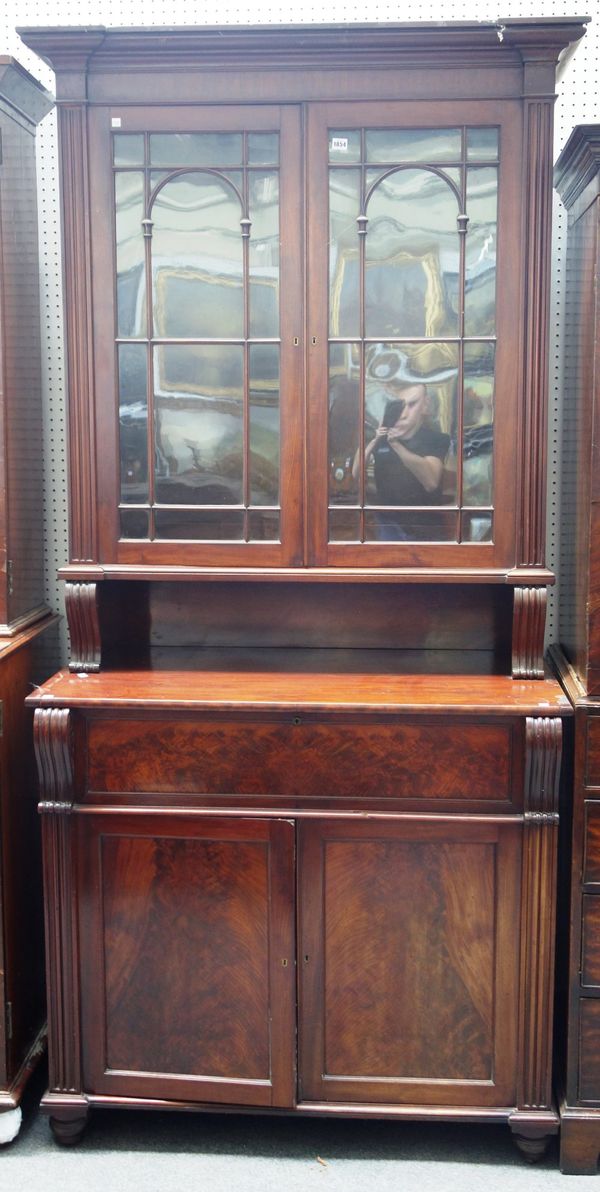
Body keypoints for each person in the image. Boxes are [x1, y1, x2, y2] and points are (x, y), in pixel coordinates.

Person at [352, 383, 450, 540]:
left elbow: (431, 482)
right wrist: (375, 439)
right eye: (396, 407)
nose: (403, 415)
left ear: (425, 405)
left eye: (411, 405)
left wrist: (396, 444)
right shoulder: (377, 438)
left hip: (426, 527)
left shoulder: (435, 439)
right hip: (388, 525)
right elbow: (355, 473)